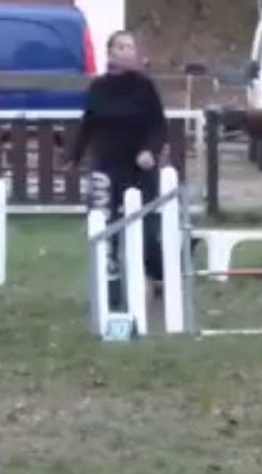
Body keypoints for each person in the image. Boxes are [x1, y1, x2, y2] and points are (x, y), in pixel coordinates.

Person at [65, 30, 169, 307]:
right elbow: (89, 123)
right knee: (105, 228)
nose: (127, 51)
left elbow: (159, 126)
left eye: (131, 47)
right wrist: (73, 156)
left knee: (147, 232)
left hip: (140, 168)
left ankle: (160, 278)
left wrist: (150, 150)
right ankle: (110, 292)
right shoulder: (98, 88)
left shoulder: (145, 87)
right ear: (110, 53)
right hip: (106, 168)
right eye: (121, 47)